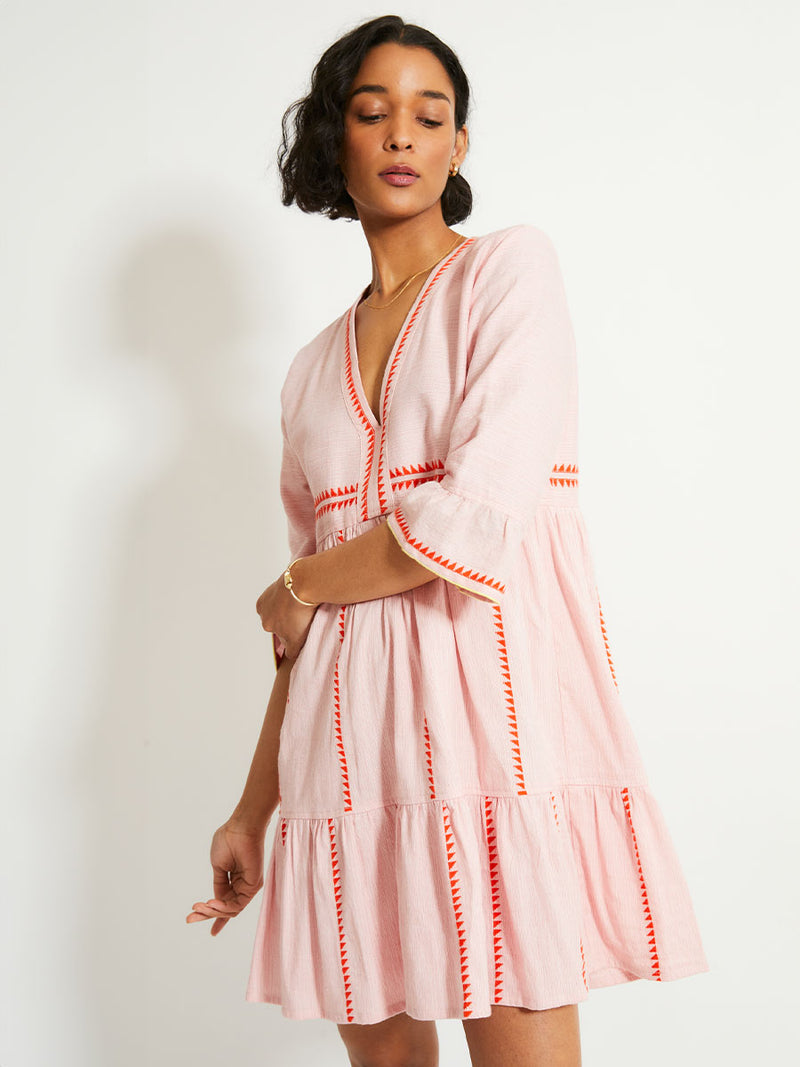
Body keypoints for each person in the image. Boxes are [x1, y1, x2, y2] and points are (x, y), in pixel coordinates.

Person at [186, 15, 709, 1066]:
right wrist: (252, 804)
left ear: (458, 146)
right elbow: (302, 626)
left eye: (430, 116)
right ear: (334, 137)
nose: (402, 136)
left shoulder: (507, 275)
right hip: (343, 760)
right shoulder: (306, 369)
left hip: (489, 741)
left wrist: (299, 576)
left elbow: (468, 523)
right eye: (372, 113)